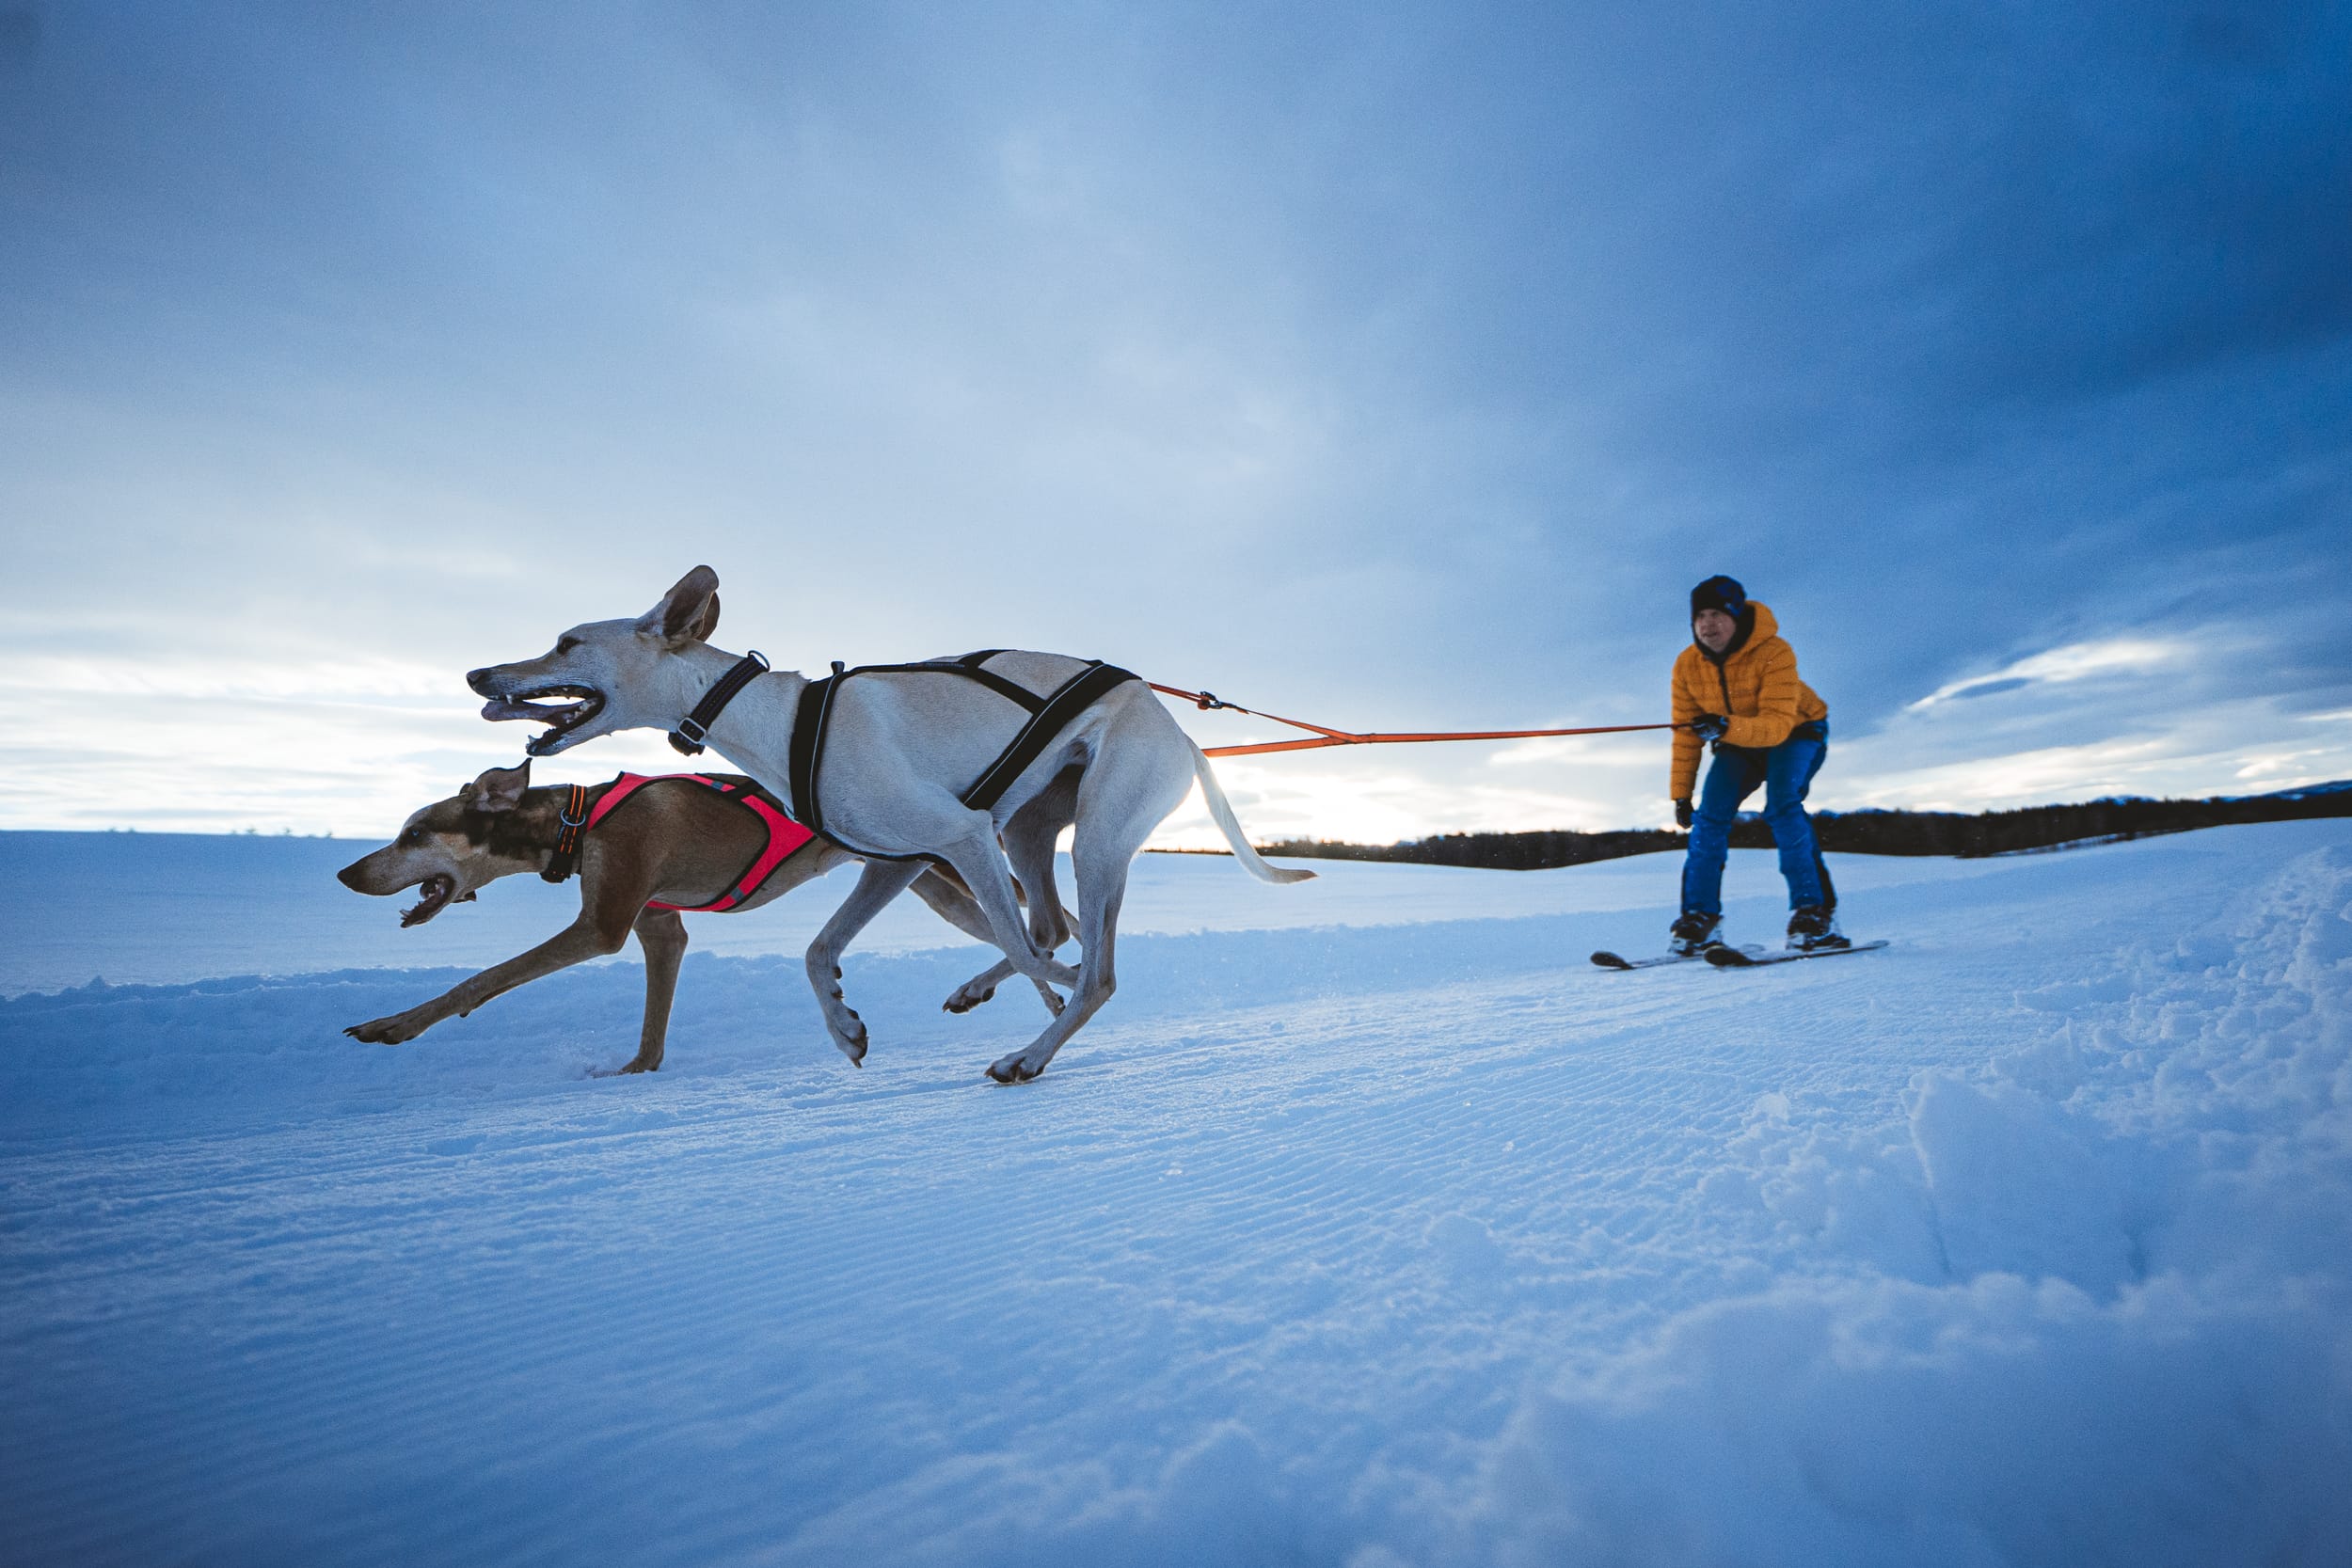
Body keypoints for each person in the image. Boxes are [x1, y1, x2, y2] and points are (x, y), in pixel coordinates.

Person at [1667, 575, 1845, 954]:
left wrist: (1724, 726)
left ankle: (1814, 913)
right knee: (1708, 817)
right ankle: (1700, 919)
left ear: (1736, 615)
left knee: (1782, 806)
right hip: (1737, 741)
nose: (1707, 624)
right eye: (1699, 616)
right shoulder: (1686, 666)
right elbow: (1686, 734)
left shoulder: (1775, 652)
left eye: (1717, 614)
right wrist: (1682, 795)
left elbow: (1778, 725)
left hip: (1797, 732)